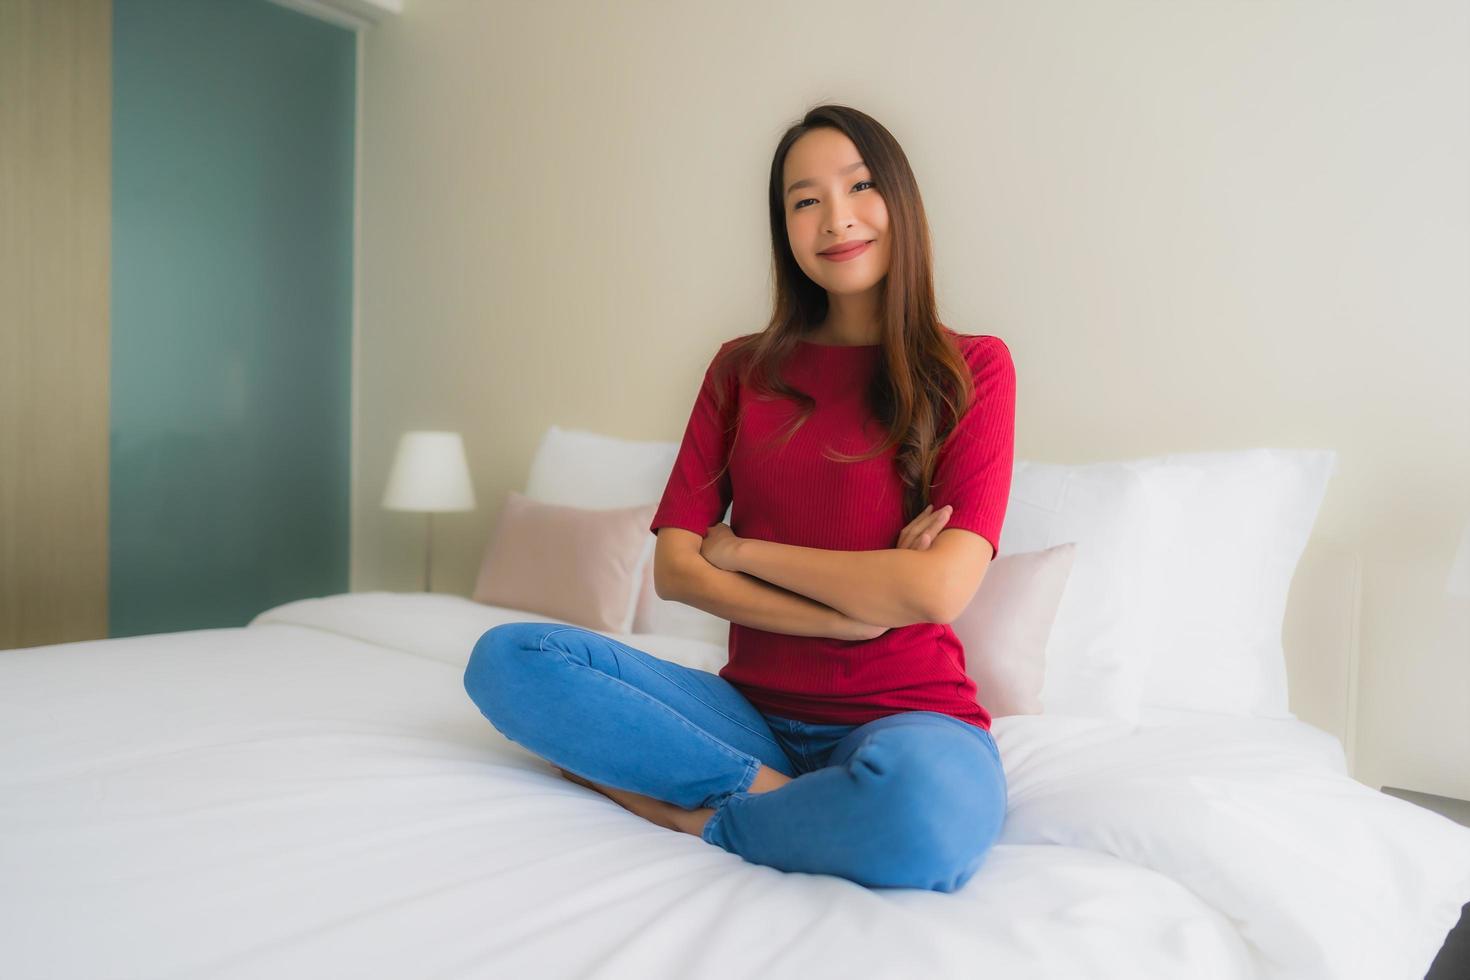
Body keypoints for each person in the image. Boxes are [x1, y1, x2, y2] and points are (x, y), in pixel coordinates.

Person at [464, 104, 1016, 893]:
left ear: (901, 201)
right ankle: (792, 806)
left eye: (859, 187)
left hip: (912, 717)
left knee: (924, 819)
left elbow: (935, 589)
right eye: (804, 200)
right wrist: (847, 612)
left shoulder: (973, 370)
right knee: (509, 660)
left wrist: (744, 550)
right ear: (784, 228)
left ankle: (701, 814)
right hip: (748, 718)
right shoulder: (740, 370)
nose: (836, 219)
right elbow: (677, 571)